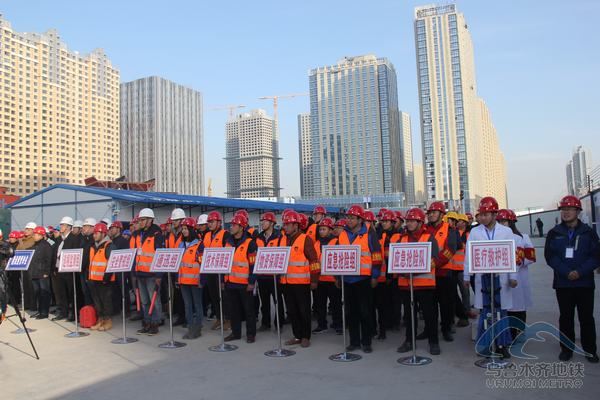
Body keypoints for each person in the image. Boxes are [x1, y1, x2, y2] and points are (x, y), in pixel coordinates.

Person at [544, 195, 599, 363]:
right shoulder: (554, 233)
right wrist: (566, 272)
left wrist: (580, 272)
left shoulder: (588, 233)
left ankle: (590, 350)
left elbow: (596, 256)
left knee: (586, 318)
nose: (566, 212)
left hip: (584, 283)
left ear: (578, 211)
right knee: (566, 318)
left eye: (570, 209)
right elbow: (550, 256)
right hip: (563, 283)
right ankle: (566, 349)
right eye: (563, 209)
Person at [464, 197, 518, 359]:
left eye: (486, 214)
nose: (482, 217)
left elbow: (512, 255)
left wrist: (513, 276)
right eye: (481, 214)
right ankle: (486, 345)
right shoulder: (475, 232)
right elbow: (469, 255)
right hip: (483, 278)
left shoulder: (506, 232)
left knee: (501, 312)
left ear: (495, 215)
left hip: (501, 277)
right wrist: (467, 275)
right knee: (486, 312)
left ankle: (502, 345)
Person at [394, 208, 441, 355]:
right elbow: (397, 259)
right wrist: (401, 270)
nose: (409, 223)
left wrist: (416, 269)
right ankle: (409, 341)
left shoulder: (429, 238)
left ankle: (433, 342)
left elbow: (435, 260)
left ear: (420, 222)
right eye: (408, 221)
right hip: (406, 285)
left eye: (412, 221)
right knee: (409, 316)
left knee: (429, 315)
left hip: (424, 285)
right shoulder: (402, 238)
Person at [337, 205, 383, 353]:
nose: (349, 220)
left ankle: (366, 342)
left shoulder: (369, 233)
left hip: (363, 279)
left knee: (365, 312)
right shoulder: (342, 234)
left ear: (360, 219)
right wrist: (337, 277)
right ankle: (354, 342)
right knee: (351, 313)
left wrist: (375, 275)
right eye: (348, 217)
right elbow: (337, 256)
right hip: (347, 279)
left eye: (352, 218)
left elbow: (377, 255)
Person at [280, 211, 320, 348]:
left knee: (304, 311)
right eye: (284, 224)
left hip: (301, 283)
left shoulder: (305, 239)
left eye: (288, 224)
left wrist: (314, 280)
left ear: (296, 225)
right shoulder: (283, 239)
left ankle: (305, 336)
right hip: (286, 282)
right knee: (292, 311)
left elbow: (314, 261)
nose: (285, 227)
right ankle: (297, 335)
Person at [498, 209, 533, 342]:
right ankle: (507, 334)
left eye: (504, 221)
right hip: (502, 277)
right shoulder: (496, 238)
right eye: (499, 221)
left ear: (511, 222)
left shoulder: (523, 237)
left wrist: (519, 259)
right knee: (505, 307)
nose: (502, 224)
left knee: (518, 306)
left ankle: (519, 331)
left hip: (519, 277)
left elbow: (531, 257)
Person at [426, 201, 459, 342]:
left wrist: (434, 262)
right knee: (429, 306)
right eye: (429, 213)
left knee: (445, 304)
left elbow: (450, 250)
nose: (431, 215)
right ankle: (429, 330)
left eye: (434, 212)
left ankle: (446, 329)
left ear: (441, 214)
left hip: (444, 273)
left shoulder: (449, 229)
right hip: (427, 275)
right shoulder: (424, 229)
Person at [223, 214, 257, 343]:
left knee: (249, 311)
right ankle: (235, 333)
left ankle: (251, 334)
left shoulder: (250, 243)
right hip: (230, 283)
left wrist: (251, 282)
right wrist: (223, 280)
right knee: (234, 311)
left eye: (234, 225)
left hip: (244, 284)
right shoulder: (228, 243)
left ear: (241, 227)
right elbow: (224, 262)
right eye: (231, 225)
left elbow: (253, 265)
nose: (231, 227)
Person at [131, 208, 165, 336]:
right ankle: (146, 322)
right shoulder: (138, 234)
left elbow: (160, 256)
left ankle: (155, 323)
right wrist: (134, 272)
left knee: (154, 300)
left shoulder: (157, 234)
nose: (140, 222)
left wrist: (159, 275)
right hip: (140, 273)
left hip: (152, 274)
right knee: (144, 301)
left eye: (143, 219)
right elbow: (135, 254)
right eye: (139, 220)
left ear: (150, 220)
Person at [255, 212, 286, 332]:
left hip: (275, 276)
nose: (263, 223)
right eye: (262, 221)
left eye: (265, 221)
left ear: (272, 223)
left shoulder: (280, 237)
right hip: (262, 276)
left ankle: (279, 323)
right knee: (264, 302)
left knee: (278, 301)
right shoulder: (258, 237)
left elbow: (283, 254)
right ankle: (265, 323)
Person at [312, 217, 342, 335]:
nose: (321, 231)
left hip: (332, 279)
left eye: (324, 229)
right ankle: (321, 325)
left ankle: (338, 324)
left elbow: (339, 260)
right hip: (320, 280)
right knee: (320, 304)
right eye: (320, 229)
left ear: (330, 230)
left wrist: (338, 278)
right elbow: (313, 261)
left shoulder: (336, 242)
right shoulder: (316, 243)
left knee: (336, 304)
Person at [203, 211, 231, 330]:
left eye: (212, 221)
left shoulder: (225, 235)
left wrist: (224, 275)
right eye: (209, 222)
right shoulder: (207, 235)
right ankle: (220, 319)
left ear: (219, 222)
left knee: (224, 297)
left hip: (221, 272)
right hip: (209, 271)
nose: (210, 224)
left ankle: (228, 319)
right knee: (214, 296)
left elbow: (229, 254)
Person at [178, 217, 204, 339]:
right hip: (183, 281)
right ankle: (190, 327)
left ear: (192, 230)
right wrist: (177, 279)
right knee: (187, 305)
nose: (183, 231)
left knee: (197, 305)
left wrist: (202, 280)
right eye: (182, 229)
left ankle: (198, 328)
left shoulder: (199, 245)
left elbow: (202, 264)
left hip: (195, 281)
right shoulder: (181, 245)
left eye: (186, 228)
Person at [51, 217, 80, 321]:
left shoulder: (74, 239)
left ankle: (74, 314)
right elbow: (54, 254)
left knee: (71, 293)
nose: (61, 227)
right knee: (61, 293)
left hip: (69, 271)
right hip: (58, 270)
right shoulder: (59, 239)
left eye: (63, 225)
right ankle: (63, 312)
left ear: (68, 227)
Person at [88, 223, 116, 331]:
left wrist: (106, 278)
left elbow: (111, 263)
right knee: (97, 302)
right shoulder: (94, 246)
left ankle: (108, 321)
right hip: (94, 279)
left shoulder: (109, 246)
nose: (94, 235)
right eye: (94, 233)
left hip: (105, 280)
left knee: (106, 301)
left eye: (97, 233)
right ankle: (100, 320)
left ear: (103, 234)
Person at [29, 226, 53, 319]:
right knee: (37, 293)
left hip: (42, 273)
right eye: (34, 234)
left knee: (44, 293)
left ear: (41, 235)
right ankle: (39, 311)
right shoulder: (35, 245)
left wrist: (47, 272)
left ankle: (44, 312)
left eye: (36, 234)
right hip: (35, 272)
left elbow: (49, 259)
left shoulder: (46, 245)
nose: (34, 236)